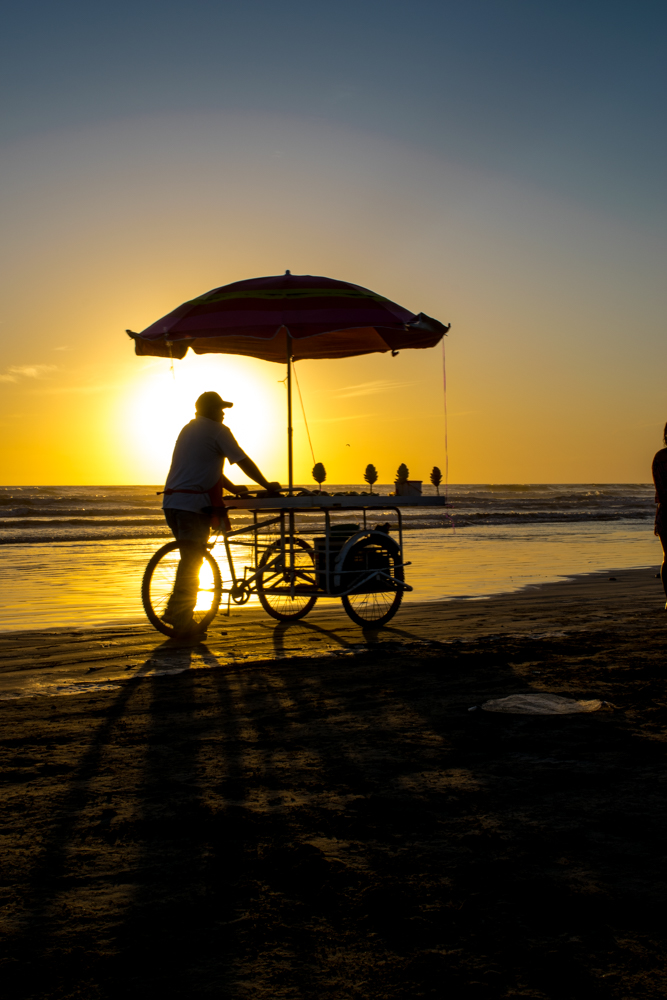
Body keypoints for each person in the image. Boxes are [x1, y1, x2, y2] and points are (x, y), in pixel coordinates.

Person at [162, 390, 281, 633]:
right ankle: (181, 618)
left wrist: (232, 487)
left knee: (189, 560)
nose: (224, 414)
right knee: (192, 562)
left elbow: (202, 466)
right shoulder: (218, 431)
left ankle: (175, 611)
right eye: (220, 409)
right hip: (193, 507)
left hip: (172, 504)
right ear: (210, 411)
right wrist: (267, 485)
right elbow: (243, 460)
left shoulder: (188, 429)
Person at [652, 422, 667, 608]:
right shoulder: (661, 457)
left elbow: (660, 489)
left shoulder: (660, 457)